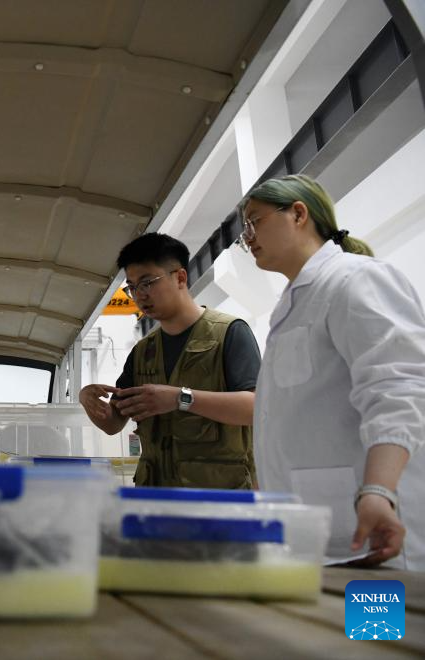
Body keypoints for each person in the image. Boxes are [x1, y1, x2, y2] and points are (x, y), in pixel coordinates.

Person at [240, 174, 425, 569]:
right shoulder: (293, 305)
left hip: (375, 524)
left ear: (298, 214)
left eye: (254, 221)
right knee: (336, 613)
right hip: (323, 532)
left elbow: (399, 389)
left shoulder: (357, 279)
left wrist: (379, 489)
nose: (248, 237)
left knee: (377, 612)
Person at [80, 233, 261, 489]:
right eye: (132, 287)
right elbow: (113, 423)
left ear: (180, 278)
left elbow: (256, 409)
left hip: (219, 497)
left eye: (147, 283)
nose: (139, 295)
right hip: (156, 498)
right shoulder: (143, 353)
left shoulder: (229, 333)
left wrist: (181, 398)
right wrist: (88, 400)